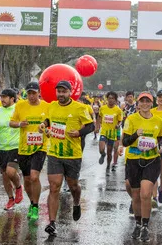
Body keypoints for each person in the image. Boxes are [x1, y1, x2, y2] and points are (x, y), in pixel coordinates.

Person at [44, 80, 94, 236]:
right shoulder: (51, 106)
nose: (60, 94)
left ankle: (77, 202)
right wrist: (43, 126)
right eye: (58, 91)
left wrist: (79, 133)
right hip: (54, 153)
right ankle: (52, 223)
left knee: (73, 186)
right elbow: (47, 121)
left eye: (64, 91)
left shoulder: (80, 108)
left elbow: (91, 126)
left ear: (70, 92)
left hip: (73, 154)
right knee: (54, 186)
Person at [122, 92, 162, 242]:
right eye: (142, 101)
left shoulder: (158, 120)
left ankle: (146, 226)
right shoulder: (131, 119)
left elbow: (160, 137)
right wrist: (135, 135)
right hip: (133, 160)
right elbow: (125, 142)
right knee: (136, 195)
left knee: (146, 193)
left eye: (148, 101)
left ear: (151, 104)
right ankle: (138, 224)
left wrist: (160, 146)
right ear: (138, 104)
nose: (145, 104)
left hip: (152, 160)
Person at [9, 82, 49, 221]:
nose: (32, 96)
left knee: (34, 177)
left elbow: (50, 122)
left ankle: (36, 206)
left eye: (34, 93)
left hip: (40, 147)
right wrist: (20, 124)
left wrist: (47, 129)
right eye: (29, 93)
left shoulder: (46, 106)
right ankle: (32, 202)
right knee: (26, 179)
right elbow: (11, 122)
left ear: (39, 93)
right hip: (24, 148)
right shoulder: (20, 105)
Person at [0, 89, 23, 210]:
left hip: (15, 146)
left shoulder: (19, 109)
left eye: (5, 97)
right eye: (1, 97)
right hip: (2, 148)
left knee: (11, 172)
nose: (2, 99)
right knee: (5, 176)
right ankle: (10, 199)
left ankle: (18, 187)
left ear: (12, 98)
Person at [96, 91, 123, 173]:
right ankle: (102, 154)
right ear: (107, 99)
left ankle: (108, 165)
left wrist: (118, 125)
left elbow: (120, 121)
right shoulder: (102, 108)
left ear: (115, 100)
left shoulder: (118, 110)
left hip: (113, 133)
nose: (111, 100)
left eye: (113, 99)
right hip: (104, 132)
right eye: (109, 98)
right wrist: (97, 127)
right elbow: (99, 117)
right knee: (101, 149)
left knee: (109, 152)